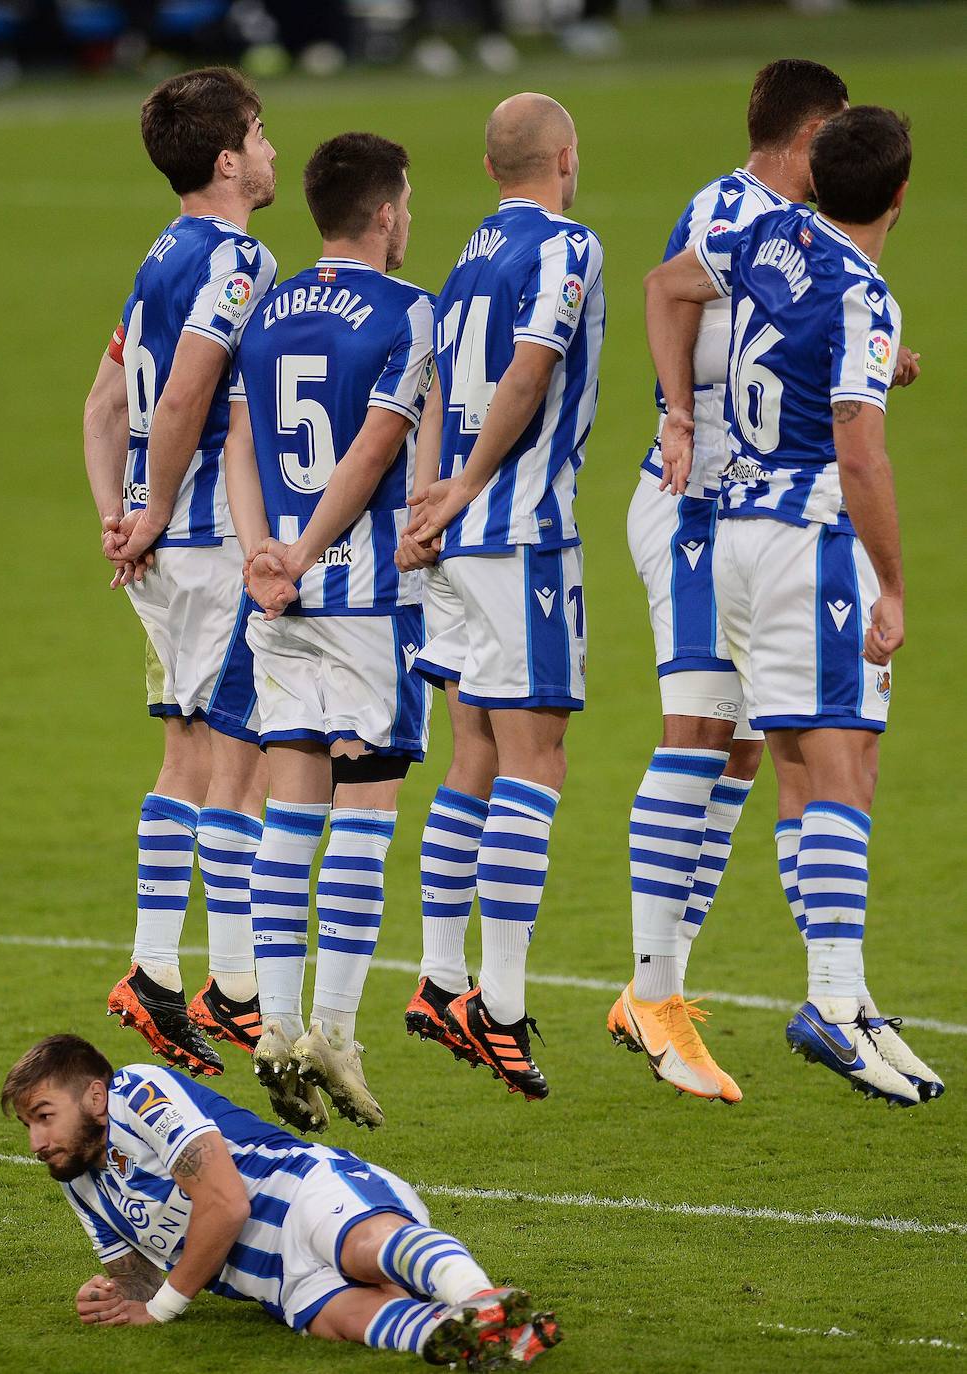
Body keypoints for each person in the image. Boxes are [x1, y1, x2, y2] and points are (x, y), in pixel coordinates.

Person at [643, 105, 943, 1105]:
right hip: (809, 544)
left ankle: (848, 1000)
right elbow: (860, 448)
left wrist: (680, 412)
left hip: (732, 535)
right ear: (901, 195)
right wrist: (892, 581)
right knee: (843, 759)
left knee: (804, 763)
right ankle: (831, 999)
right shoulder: (866, 291)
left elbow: (672, 284)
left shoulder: (773, 231)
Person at [614, 59, 849, 1104]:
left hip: (741, 512)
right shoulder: (732, 207)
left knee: (744, 750)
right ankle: (654, 996)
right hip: (696, 505)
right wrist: (673, 412)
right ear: (811, 133)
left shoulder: (787, 225)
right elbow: (665, 294)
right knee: (699, 733)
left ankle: (657, 987)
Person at [223, 133, 434, 1133]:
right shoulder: (407, 311)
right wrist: (307, 551)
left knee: (290, 804)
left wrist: (265, 551)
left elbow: (239, 442)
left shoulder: (264, 312)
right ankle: (333, 1032)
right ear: (387, 211)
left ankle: (270, 1026)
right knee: (368, 809)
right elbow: (376, 447)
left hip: (273, 597)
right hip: (360, 595)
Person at [399, 93, 605, 1102]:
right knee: (537, 759)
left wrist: (424, 504)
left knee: (471, 751)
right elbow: (532, 371)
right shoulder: (568, 245)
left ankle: (440, 979)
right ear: (565, 157)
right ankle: (504, 1003)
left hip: (450, 543)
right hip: (520, 535)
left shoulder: (468, 256)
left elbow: (435, 384)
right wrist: (471, 486)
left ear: (491, 168)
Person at [84, 67, 278, 1076]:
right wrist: (156, 509)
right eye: (260, 132)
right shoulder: (239, 257)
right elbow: (190, 388)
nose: (273, 150)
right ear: (227, 160)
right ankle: (230, 984)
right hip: (203, 544)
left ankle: (161, 972)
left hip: (162, 555)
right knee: (233, 764)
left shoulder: (160, 255)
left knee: (186, 758)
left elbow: (102, 402)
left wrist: (117, 518)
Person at [1, 1034, 561, 1366]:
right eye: (29, 1125)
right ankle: (484, 1340)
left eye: (45, 1117)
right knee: (344, 1319)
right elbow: (141, 1275)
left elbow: (224, 1204)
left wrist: (160, 1311)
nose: (37, 1142)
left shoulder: (137, 1092)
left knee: (365, 1247)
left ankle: (479, 1296)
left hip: (304, 1194)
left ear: (94, 1095)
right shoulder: (79, 1181)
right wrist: (112, 1295)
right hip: (277, 1282)